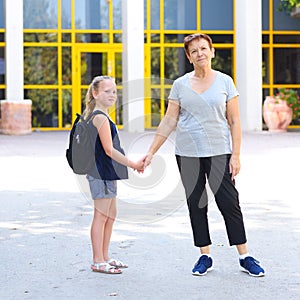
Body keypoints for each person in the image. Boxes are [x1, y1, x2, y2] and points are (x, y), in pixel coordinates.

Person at [143, 33, 265, 277]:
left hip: (220, 152)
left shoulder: (225, 82)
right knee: (196, 204)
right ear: (189, 57)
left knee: (229, 203)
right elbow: (169, 121)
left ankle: (244, 255)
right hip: (187, 154)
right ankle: (204, 255)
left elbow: (234, 120)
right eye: (194, 51)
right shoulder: (180, 85)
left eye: (203, 48)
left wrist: (236, 155)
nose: (200, 53)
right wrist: (151, 152)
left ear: (212, 51)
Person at [83, 75, 144, 274]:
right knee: (101, 216)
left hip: (108, 172)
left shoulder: (102, 115)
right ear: (95, 93)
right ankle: (97, 260)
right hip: (100, 173)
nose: (112, 95)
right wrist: (133, 164)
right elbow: (109, 150)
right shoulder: (99, 117)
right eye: (106, 91)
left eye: (114, 91)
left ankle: (105, 256)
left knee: (111, 214)